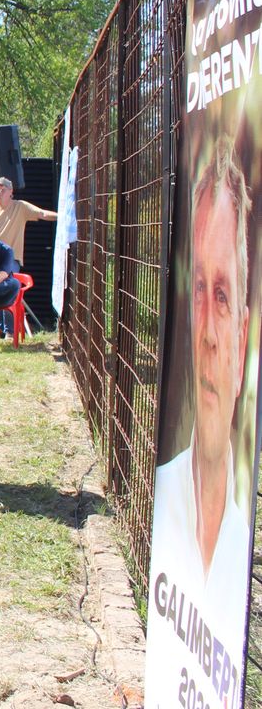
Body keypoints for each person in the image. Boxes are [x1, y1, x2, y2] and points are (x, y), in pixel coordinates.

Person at [146, 143, 252, 706]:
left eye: (225, 295)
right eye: (199, 294)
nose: (209, 331)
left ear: (245, 329)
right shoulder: (166, 492)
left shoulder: (244, 540)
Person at [0, 177, 54, 336]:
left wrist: (64, 217)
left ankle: (10, 331)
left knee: (5, 287)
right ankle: (0, 328)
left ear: (11, 191)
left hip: (11, 258)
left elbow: (42, 213)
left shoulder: (20, 207)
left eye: (2, 189)